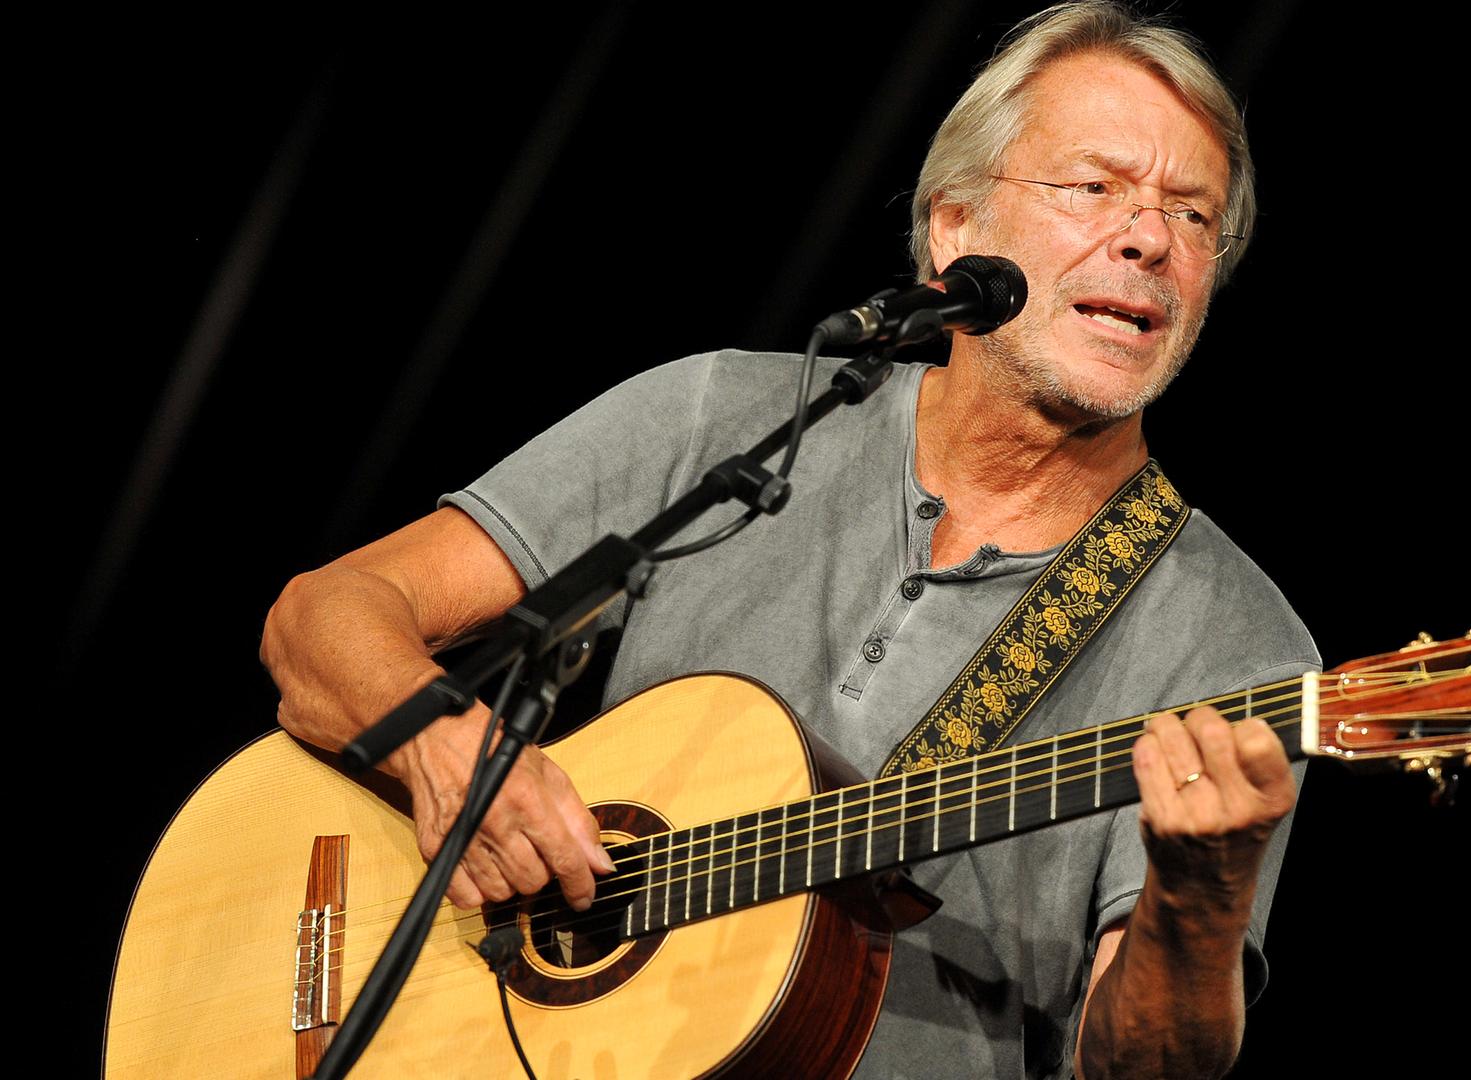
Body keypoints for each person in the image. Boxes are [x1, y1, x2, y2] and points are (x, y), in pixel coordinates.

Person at [261, 4, 1319, 1077]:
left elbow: (1145, 1068)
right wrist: (448, 752)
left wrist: (1199, 903)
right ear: (955, 225)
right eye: (1094, 187)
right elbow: (320, 623)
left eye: (1194, 216)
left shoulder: (1234, 642)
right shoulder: (728, 417)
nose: (1149, 240)